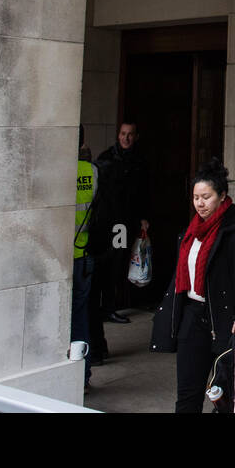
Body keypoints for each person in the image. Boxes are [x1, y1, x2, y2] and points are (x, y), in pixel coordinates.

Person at [150, 158, 235, 413]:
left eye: (206, 197)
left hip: (222, 319)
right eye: (196, 197)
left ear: (222, 196)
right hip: (193, 315)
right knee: (188, 394)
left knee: (223, 396)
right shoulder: (192, 231)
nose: (200, 203)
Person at [93, 121, 152, 323]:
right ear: (118, 135)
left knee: (117, 263)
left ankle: (110, 305)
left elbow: (142, 192)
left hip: (125, 222)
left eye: (130, 134)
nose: (126, 138)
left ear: (136, 137)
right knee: (109, 263)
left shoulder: (139, 161)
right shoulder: (107, 159)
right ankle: (106, 307)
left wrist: (143, 217)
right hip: (110, 223)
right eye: (123, 134)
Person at [73, 126, 98, 389]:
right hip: (85, 252)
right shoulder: (93, 172)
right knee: (80, 319)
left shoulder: (61, 170)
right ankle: (83, 375)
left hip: (66, 256)